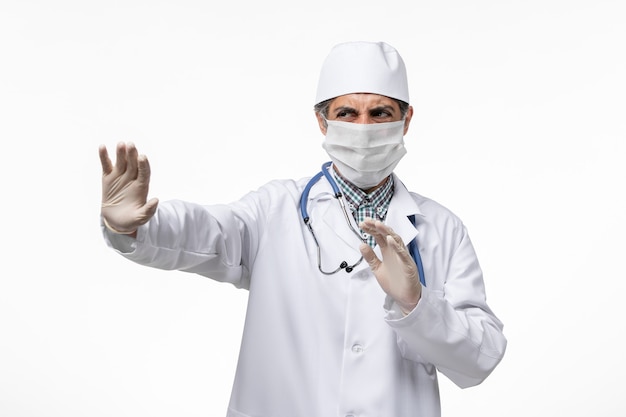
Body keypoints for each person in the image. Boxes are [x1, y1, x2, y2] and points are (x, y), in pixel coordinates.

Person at [99, 41, 507, 417]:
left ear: (406, 119)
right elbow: (207, 231)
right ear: (322, 121)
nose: (363, 127)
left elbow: (482, 355)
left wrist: (417, 303)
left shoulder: (443, 229)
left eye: (380, 113)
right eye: (346, 113)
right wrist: (138, 227)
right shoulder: (274, 210)